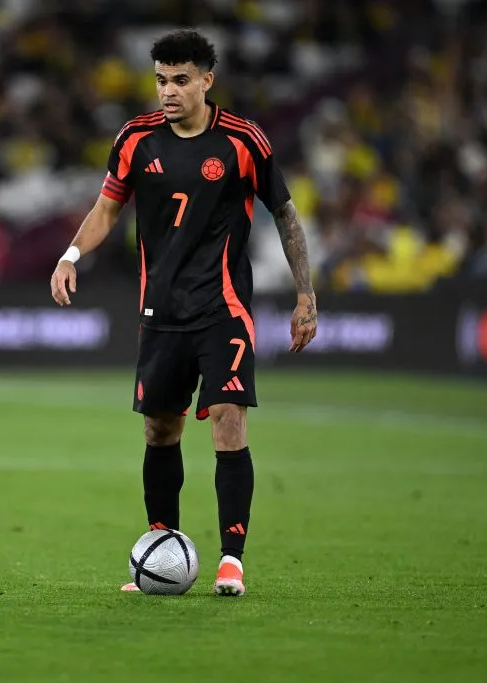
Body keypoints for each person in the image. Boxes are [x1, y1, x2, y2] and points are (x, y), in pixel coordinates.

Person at [50, 30, 318, 597]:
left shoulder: (244, 141)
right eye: (160, 81)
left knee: (227, 418)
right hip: (160, 312)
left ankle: (231, 559)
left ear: (206, 80)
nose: (167, 92)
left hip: (223, 310)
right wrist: (71, 255)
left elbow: (287, 217)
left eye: (179, 80)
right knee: (159, 429)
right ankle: (161, 546)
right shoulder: (134, 138)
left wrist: (305, 296)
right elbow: (105, 209)